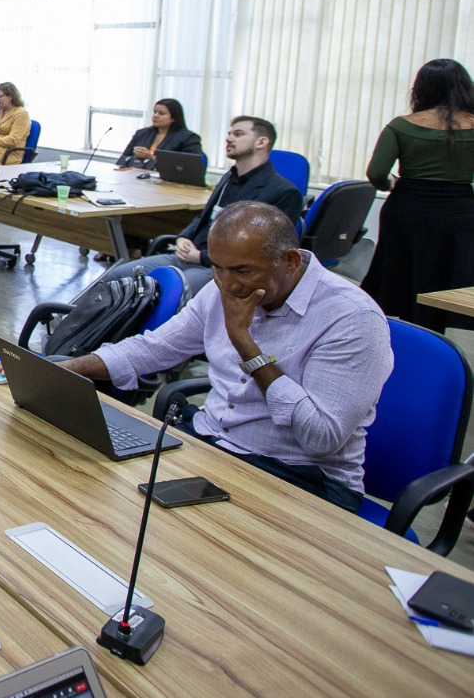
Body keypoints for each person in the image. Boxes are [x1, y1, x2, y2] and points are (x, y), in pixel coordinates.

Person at [61, 203, 391, 514]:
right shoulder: (224, 287)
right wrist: (65, 369)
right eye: (217, 268)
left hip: (299, 476)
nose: (227, 283)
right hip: (213, 444)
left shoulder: (352, 319)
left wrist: (244, 342)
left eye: (242, 270)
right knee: (95, 495)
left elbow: (320, 438)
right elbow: (154, 348)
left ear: (290, 261)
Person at [107, 116, 305, 286]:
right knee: (115, 278)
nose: (228, 138)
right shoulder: (229, 177)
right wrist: (183, 237)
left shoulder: (284, 192)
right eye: (229, 133)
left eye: (238, 134)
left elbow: (260, 251)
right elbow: (205, 216)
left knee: (167, 291)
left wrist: (202, 256)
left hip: (225, 270)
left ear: (261, 142)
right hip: (187, 256)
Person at [361, 58, 474, 332]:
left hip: (407, 208)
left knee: (405, 276)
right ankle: (438, 338)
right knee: (446, 278)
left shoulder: (400, 126)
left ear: (421, 88)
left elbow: (376, 173)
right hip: (458, 212)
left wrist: (390, 184)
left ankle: (406, 335)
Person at [115, 98, 204, 170]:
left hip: (168, 183)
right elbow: (122, 160)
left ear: (173, 118)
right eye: (155, 112)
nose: (155, 116)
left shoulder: (188, 138)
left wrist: (152, 158)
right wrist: (134, 156)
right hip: (137, 177)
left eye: (161, 113)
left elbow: (190, 168)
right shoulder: (142, 133)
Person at [0, 82, 31, 164]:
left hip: (9, 152)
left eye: (0, 96)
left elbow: (12, 140)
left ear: (10, 97)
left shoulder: (22, 114)